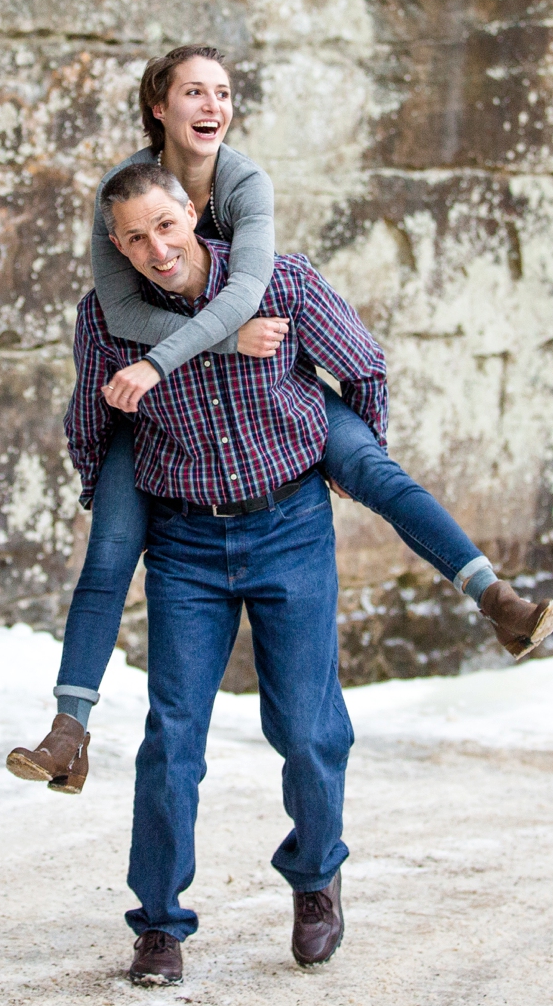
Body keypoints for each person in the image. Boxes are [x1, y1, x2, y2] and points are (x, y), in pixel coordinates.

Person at [7, 45, 553, 798]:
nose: (213, 105)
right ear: (158, 108)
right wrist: (121, 448)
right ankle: (68, 729)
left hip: (268, 390)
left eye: (224, 92)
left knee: (373, 470)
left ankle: (496, 599)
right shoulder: (127, 195)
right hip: (162, 401)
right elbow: (122, 312)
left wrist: (334, 446)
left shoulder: (243, 183)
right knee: (108, 550)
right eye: (194, 92)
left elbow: (253, 292)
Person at [60, 161, 390, 982]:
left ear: (194, 216)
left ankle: (316, 878)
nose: (155, 248)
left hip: (290, 528)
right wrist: (109, 488)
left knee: (310, 729)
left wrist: (352, 463)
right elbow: (86, 424)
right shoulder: (107, 318)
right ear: (116, 247)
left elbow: (366, 366)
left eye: (165, 226)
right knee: (172, 738)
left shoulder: (282, 282)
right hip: (187, 547)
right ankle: (159, 925)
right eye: (133, 237)